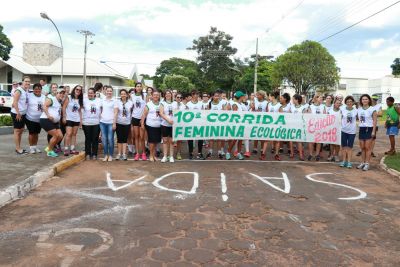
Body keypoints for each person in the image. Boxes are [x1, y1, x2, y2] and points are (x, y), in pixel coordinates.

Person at [40, 87, 65, 157]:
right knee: (55, 135)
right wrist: (48, 115)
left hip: (55, 122)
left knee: (60, 136)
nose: (62, 95)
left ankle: (49, 147)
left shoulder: (59, 102)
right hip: (46, 120)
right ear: (57, 93)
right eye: (60, 93)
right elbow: (44, 106)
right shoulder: (52, 99)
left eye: (63, 94)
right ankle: (50, 151)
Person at [357, 94, 377, 171]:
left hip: (369, 129)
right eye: (363, 99)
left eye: (366, 99)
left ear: (369, 100)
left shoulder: (372, 109)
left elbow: (375, 121)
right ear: (361, 101)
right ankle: (362, 162)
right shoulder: (359, 109)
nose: (364, 100)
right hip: (361, 129)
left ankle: (367, 163)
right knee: (362, 147)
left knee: (367, 147)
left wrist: (373, 131)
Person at [141, 90, 162, 162]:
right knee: (151, 141)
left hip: (159, 125)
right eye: (154, 95)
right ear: (152, 96)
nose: (156, 96)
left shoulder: (161, 104)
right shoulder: (149, 104)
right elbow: (144, 114)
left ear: (159, 96)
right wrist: (142, 124)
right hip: (150, 125)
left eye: (157, 95)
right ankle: (151, 155)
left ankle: (154, 155)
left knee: (156, 141)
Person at [11, 76, 30, 154]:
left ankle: (19, 147)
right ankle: (17, 148)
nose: (27, 83)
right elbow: (15, 102)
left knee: (21, 130)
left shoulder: (26, 90)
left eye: (29, 82)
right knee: (17, 131)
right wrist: (18, 113)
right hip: (17, 113)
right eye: (26, 81)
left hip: (23, 113)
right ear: (22, 82)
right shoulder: (19, 90)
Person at [62, 85, 83, 156]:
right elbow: (64, 107)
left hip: (76, 119)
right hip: (69, 118)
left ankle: (72, 149)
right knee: (68, 134)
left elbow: (79, 111)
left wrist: (80, 120)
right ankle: (66, 149)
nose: (78, 91)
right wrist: (64, 117)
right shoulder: (69, 97)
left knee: (74, 134)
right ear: (74, 89)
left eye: (80, 90)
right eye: (77, 89)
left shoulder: (80, 100)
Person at [226, 91, 247, 160]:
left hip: (241, 124)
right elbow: (235, 116)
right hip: (235, 125)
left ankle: (238, 153)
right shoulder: (235, 104)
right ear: (240, 97)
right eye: (243, 96)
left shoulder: (240, 104)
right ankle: (228, 152)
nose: (244, 97)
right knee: (234, 140)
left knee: (240, 139)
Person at [260, 91, 281, 160]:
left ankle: (276, 154)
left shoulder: (279, 105)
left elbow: (282, 116)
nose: (268, 98)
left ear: (273, 97)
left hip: (276, 125)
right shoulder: (269, 104)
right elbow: (267, 114)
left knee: (277, 140)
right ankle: (263, 154)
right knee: (266, 139)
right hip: (269, 124)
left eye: (269, 96)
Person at [26, 83, 46, 154]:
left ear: (41, 89)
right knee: (31, 133)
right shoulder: (29, 95)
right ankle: (31, 147)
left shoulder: (44, 97)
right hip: (30, 118)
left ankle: (35, 147)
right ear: (33, 89)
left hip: (39, 119)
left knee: (36, 133)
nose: (37, 90)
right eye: (36, 89)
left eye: (39, 89)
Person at [114, 89, 133, 161]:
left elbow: (131, 114)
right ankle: (119, 153)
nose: (123, 95)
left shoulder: (130, 103)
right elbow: (115, 113)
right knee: (119, 139)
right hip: (119, 122)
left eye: (124, 94)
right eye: (121, 94)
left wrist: (131, 124)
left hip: (127, 123)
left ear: (127, 94)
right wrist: (114, 123)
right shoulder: (117, 102)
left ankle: (124, 154)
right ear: (120, 95)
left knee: (125, 139)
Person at [82, 88, 101, 160]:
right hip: (86, 123)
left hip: (96, 123)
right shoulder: (84, 101)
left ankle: (94, 154)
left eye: (91, 93)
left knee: (95, 139)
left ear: (94, 94)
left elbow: (103, 109)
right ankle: (88, 153)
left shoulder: (99, 100)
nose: (90, 94)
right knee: (88, 139)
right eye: (89, 93)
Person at [206, 90, 226, 159]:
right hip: (211, 124)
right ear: (212, 97)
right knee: (211, 139)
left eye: (218, 96)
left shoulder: (221, 104)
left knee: (219, 139)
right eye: (215, 96)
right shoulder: (209, 104)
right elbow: (206, 114)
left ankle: (219, 152)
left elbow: (224, 114)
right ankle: (210, 152)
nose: (216, 97)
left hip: (219, 124)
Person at [339, 96, 358, 168]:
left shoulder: (356, 110)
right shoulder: (342, 109)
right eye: (347, 102)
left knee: (349, 147)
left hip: (352, 131)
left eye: (350, 101)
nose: (349, 103)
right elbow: (339, 118)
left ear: (353, 102)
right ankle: (343, 161)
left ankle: (349, 162)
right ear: (345, 102)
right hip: (343, 130)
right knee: (344, 147)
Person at [186, 90, 205, 160]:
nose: (196, 95)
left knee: (200, 139)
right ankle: (190, 153)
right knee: (190, 139)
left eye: (197, 94)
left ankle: (199, 153)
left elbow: (203, 113)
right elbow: (186, 114)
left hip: (199, 123)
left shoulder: (201, 103)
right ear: (192, 95)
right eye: (195, 94)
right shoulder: (188, 104)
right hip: (191, 124)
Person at [131, 83, 147, 161]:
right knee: (136, 136)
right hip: (135, 118)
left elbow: (146, 108)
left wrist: (143, 118)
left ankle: (143, 153)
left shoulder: (145, 95)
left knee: (142, 137)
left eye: (140, 86)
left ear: (142, 88)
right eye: (137, 86)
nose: (139, 87)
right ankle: (137, 153)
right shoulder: (132, 96)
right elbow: (131, 107)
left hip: (142, 119)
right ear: (135, 88)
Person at [307, 94, 326, 161]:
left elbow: (325, 116)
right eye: (320, 97)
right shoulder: (310, 106)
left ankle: (317, 154)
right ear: (316, 98)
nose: (321, 99)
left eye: (322, 98)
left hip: (320, 126)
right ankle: (310, 154)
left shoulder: (323, 106)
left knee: (318, 141)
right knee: (311, 141)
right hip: (312, 126)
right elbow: (309, 116)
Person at [100, 86, 116, 161]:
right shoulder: (102, 100)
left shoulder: (115, 101)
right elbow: (100, 110)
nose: (109, 92)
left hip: (111, 122)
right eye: (108, 91)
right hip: (102, 122)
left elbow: (116, 113)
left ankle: (111, 155)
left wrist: (114, 123)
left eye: (110, 91)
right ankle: (106, 155)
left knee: (110, 139)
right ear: (105, 92)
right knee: (104, 139)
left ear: (112, 92)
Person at [159, 89, 175, 163]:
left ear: (171, 95)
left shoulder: (174, 103)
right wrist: (168, 120)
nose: (168, 95)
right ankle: (165, 156)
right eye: (167, 93)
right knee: (165, 141)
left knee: (171, 141)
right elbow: (161, 113)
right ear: (165, 95)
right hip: (165, 124)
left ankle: (171, 156)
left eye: (169, 93)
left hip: (173, 125)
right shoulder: (162, 103)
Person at [251, 90, 268, 155]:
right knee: (256, 134)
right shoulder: (255, 101)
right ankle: (255, 148)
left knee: (262, 134)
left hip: (263, 120)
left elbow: (267, 111)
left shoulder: (266, 102)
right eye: (257, 95)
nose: (257, 96)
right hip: (256, 120)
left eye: (258, 95)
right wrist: (253, 108)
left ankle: (262, 149)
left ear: (262, 95)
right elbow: (252, 110)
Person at [291, 94, 307, 160]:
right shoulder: (291, 106)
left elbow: (305, 116)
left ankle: (300, 155)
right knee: (291, 140)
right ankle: (292, 153)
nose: (292, 100)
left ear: (297, 100)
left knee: (299, 141)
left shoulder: (303, 108)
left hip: (300, 125)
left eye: (293, 99)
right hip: (292, 125)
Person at [327, 97, 342, 162]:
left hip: (339, 129)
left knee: (337, 143)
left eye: (339, 103)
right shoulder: (330, 111)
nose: (338, 104)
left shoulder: (341, 111)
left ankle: (336, 155)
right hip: (331, 129)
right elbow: (326, 119)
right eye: (337, 103)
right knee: (332, 143)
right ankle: (331, 155)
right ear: (334, 103)